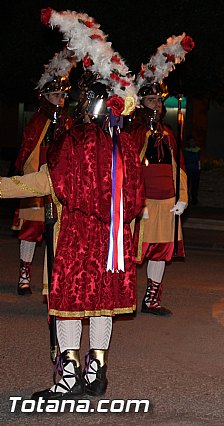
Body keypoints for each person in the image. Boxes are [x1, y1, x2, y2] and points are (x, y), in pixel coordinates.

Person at [3, 7, 143, 399]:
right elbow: (134, 200)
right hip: (113, 242)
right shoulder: (127, 147)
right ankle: (96, 372)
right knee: (101, 305)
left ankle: (67, 378)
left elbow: (49, 181)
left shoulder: (75, 141)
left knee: (68, 305)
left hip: (78, 236)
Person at [130, 33, 194, 316]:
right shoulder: (133, 132)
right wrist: (136, 201)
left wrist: (183, 197)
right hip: (142, 203)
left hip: (167, 203)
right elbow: (128, 167)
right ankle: (124, 296)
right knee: (133, 252)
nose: (157, 105)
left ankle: (151, 299)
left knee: (161, 252)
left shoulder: (168, 133)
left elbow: (177, 167)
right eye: (152, 100)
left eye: (159, 100)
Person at [14, 48, 75, 296]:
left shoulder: (68, 122)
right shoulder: (36, 121)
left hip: (58, 184)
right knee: (31, 230)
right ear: (44, 96)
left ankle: (53, 278)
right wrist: (32, 178)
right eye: (55, 95)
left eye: (62, 95)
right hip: (36, 181)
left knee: (58, 233)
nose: (59, 99)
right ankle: (24, 274)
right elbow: (28, 151)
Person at [183, 135, 201, 206]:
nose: (192, 143)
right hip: (187, 170)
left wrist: (199, 169)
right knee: (186, 186)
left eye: (193, 141)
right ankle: (186, 200)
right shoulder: (185, 150)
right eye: (191, 141)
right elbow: (185, 159)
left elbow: (198, 160)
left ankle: (194, 200)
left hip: (195, 170)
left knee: (195, 186)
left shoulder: (198, 150)